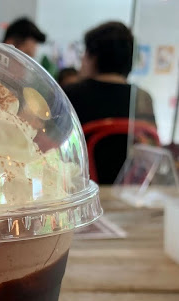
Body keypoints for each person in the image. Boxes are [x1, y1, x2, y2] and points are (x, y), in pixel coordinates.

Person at [65, 21, 157, 184]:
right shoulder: (143, 98)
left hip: (82, 191)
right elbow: (150, 151)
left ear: (93, 56)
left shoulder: (71, 94)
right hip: (130, 193)